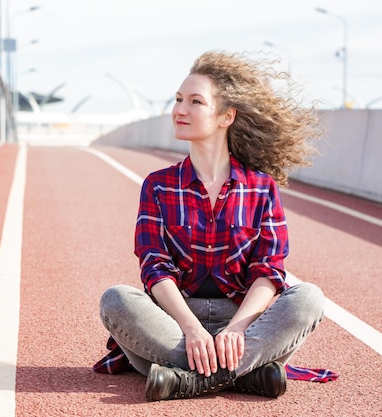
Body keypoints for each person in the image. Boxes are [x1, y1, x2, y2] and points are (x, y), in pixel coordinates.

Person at [97, 50, 327, 401]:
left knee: (308, 297)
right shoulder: (158, 185)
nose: (179, 110)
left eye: (195, 101)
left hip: (244, 323)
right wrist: (190, 328)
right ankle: (246, 374)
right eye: (177, 100)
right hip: (174, 322)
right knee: (115, 300)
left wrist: (237, 329)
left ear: (225, 116)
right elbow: (154, 267)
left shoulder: (261, 187)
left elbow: (269, 270)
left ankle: (186, 379)